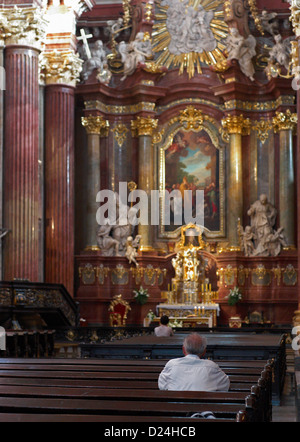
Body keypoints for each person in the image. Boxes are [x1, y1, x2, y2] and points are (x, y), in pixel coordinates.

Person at [158, 333, 230, 391]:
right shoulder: (211, 367)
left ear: (183, 350)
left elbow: (162, 386)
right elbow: (226, 385)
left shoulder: (172, 365)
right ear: (204, 352)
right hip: (204, 408)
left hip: (176, 408)